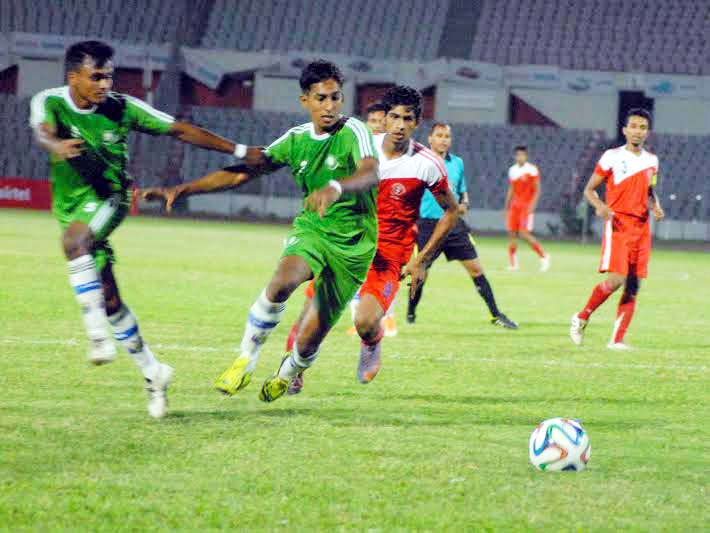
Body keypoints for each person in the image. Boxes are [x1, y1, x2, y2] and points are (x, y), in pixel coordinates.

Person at [143, 60, 382, 403]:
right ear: (305, 101)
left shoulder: (353, 131)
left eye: (335, 97)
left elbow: (370, 173)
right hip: (313, 230)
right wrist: (183, 190)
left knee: (309, 339)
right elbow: (244, 172)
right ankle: (245, 360)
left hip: (355, 245)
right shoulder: (296, 139)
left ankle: (289, 372)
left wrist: (335, 188)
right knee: (283, 281)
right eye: (321, 98)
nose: (329, 106)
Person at [30, 40, 241, 418]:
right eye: (96, 76)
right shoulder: (50, 101)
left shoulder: (122, 108)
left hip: (111, 197)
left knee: (74, 241)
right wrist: (56, 145)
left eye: (109, 75)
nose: (105, 83)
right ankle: (154, 372)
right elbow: (43, 132)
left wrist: (238, 152)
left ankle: (97, 339)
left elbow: (178, 130)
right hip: (70, 206)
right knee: (109, 299)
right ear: (73, 77)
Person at [289, 86, 459, 394]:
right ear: (384, 118)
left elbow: (452, 211)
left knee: (365, 321)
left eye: (407, 119)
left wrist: (422, 259)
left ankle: (372, 342)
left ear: (417, 122)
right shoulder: (361, 149)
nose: (399, 125)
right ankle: (294, 372)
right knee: (310, 316)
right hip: (347, 244)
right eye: (393, 117)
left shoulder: (428, 163)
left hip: (388, 256)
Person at [406, 123, 518, 329]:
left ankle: (496, 314)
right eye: (439, 135)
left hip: (454, 224)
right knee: (420, 271)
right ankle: (410, 313)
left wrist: (464, 203)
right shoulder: (418, 162)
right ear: (430, 139)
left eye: (447, 136)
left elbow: (462, 190)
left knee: (476, 269)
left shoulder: (457, 163)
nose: (443, 139)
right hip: (428, 225)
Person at [570, 108, 664, 349]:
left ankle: (617, 340)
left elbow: (650, 191)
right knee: (617, 279)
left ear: (647, 132)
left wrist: (655, 206)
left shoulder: (652, 161)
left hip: (642, 228)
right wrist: (600, 206)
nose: (637, 131)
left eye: (642, 128)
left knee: (633, 283)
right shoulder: (612, 156)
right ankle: (581, 316)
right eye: (633, 126)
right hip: (619, 224)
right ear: (625, 130)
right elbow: (589, 189)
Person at [505, 146, 550, 271]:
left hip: (526, 206)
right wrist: (506, 205)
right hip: (515, 206)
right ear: (515, 156)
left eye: (522, 155)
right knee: (512, 234)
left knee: (524, 234)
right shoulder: (512, 170)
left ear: (526, 156)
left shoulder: (532, 170)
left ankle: (543, 256)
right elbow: (512, 189)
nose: (520, 157)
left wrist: (532, 205)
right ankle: (513, 264)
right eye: (518, 155)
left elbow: (537, 189)